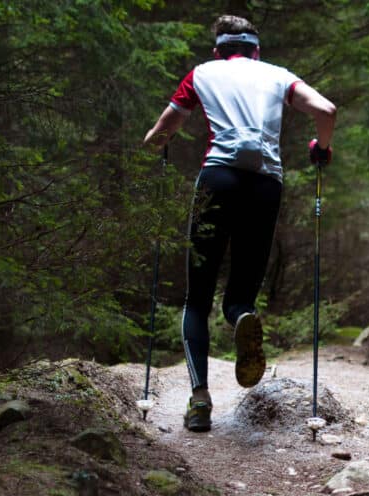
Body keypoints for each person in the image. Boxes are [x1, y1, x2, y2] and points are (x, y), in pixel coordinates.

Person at [144, 15, 336, 432]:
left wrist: (155, 142)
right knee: (241, 295)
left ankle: (199, 401)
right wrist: (321, 147)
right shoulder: (278, 76)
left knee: (197, 297)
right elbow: (326, 109)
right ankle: (241, 316)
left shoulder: (202, 73)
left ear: (218, 51)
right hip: (266, 185)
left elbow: (165, 128)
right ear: (257, 51)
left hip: (218, 179)